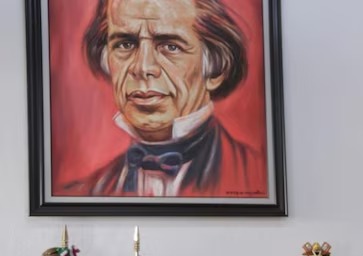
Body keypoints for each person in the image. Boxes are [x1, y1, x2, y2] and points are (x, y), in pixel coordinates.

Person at [56, 0, 266, 198]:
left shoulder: (260, 177)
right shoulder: (84, 194)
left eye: (171, 46)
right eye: (125, 44)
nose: (143, 67)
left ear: (216, 69)